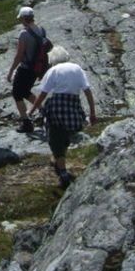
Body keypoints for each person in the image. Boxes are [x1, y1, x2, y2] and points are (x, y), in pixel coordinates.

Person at [28, 46, 96, 188]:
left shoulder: (53, 71)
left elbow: (43, 94)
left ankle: (63, 172)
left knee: (55, 137)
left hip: (57, 106)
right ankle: (60, 159)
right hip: (73, 105)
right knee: (65, 134)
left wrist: (32, 110)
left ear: (52, 59)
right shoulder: (77, 68)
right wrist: (92, 113)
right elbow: (87, 91)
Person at [5, 6, 49, 134]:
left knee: (17, 93)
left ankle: (26, 122)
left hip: (25, 68)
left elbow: (19, 55)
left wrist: (11, 71)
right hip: (37, 68)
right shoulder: (41, 30)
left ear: (24, 19)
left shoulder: (24, 34)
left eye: (21, 19)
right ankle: (42, 110)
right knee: (25, 91)